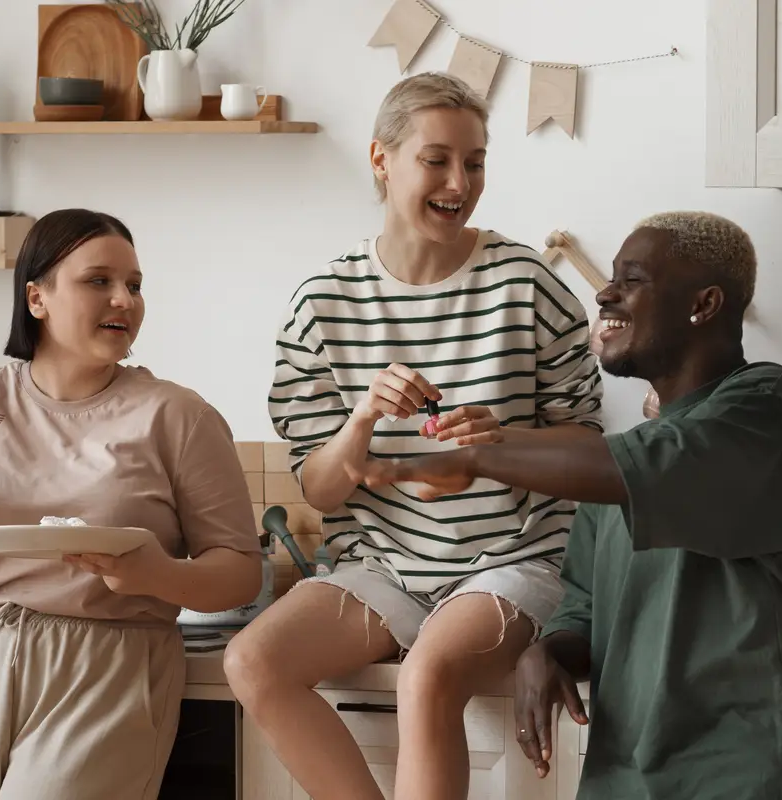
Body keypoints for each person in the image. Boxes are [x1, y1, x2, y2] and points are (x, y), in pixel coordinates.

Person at [360, 211, 782, 799]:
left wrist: (477, 456)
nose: (605, 293)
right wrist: (547, 651)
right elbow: (586, 610)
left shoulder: (767, 406)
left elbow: (648, 464)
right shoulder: (613, 467)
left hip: (750, 773)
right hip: (629, 776)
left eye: (633, 279)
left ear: (704, 304)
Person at [223, 72, 605, 800]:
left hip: (513, 558)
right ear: (381, 160)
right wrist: (363, 417)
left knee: (428, 671)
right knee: (252, 662)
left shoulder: (527, 285)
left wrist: (500, 443)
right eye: (437, 159)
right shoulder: (323, 303)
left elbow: (592, 456)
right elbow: (319, 486)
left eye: (476, 160)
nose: (459, 181)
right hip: (383, 567)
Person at [0, 208, 263, 800]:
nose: (125, 300)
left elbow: (240, 571)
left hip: (109, 666)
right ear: (37, 297)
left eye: (134, 286)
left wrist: (157, 575)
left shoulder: (179, 416)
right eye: (99, 281)